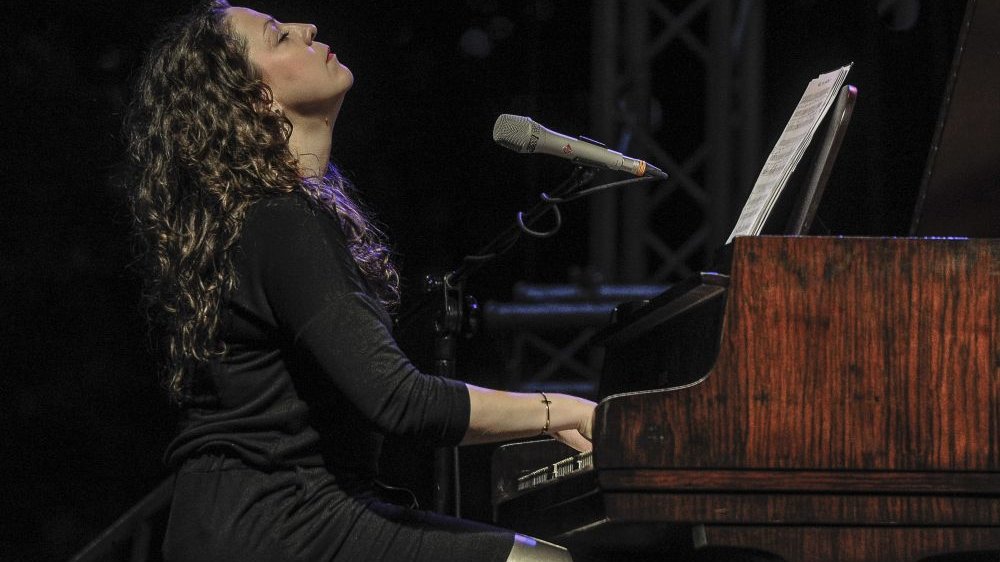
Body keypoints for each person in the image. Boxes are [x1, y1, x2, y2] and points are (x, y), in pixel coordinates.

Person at [124, 1, 596, 561]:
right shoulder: (281, 220)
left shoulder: (266, 218)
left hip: (258, 519)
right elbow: (401, 402)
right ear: (252, 99)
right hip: (280, 524)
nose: (308, 28)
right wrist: (562, 410)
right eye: (278, 37)